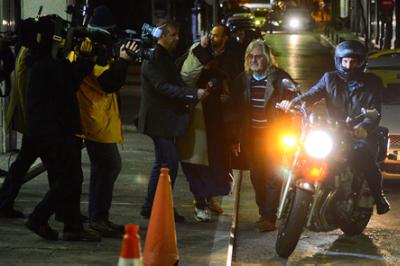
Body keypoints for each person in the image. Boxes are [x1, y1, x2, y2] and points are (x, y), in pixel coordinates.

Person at [278, 40, 390, 215]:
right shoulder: (330, 78)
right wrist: (292, 104)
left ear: (361, 63)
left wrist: (364, 128)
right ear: (338, 61)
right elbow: (312, 94)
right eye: (345, 61)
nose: (348, 66)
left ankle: (379, 197)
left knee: (364, 157)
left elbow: (374, 111)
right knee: (305, 152)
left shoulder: (372, 83)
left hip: (358, 134)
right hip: (333, 131)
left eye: (353, 62)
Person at [23, 15, 100, 241]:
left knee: (63, 177)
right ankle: (39, 217)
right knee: (71, 177)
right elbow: (69, 83)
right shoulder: (48, 64)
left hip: (49, 129)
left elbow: (66, 78)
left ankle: (72, 226)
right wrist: (85, 59)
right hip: (54, 131)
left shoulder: (43, 61)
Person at [73, 5, 139, 238]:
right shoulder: (92, 50)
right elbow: (109, 82)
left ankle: (99, 217)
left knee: (106, 167)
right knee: (108, 166)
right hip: (93, 119)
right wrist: (122, 61)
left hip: (98, 118)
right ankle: (97, 218)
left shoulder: (96, 48)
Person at [138, 20, 209, 222]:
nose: (177, 38)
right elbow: (163, 86)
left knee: (163, 163)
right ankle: (156, 207)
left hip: (165, 120)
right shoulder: (154, 57)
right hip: (158, 120)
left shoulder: (163, 56)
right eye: (173, 35)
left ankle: (153, 206)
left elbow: (178, 72)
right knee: (168, 162)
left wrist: (202, 50)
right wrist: (193, 94)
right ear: (162, 36)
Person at [227, 39, 297, 232]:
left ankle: (269, 216)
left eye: (258, 56)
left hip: (274, 136)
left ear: (267, 58)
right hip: (251, 137)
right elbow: (233, 111)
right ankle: (263, 212)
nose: (254, 60)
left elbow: (295, 99)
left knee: (273, 176)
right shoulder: (242, 80)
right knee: (257, 176)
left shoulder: (280, 78)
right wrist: (233, 138)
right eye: (250, 57)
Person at [179, 24, 241, 222]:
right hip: (198, 116)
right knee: (198, 161)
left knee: (216, 161)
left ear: (226, 38)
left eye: (217, 36)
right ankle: (200, 203)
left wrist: (227, 95)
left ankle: (210, 197)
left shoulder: (229, 59)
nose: (213, 39)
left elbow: (235, 82)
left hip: (219, 119)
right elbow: (187, 76)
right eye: (211, 35)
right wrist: (200, 50)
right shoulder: (196, 54)